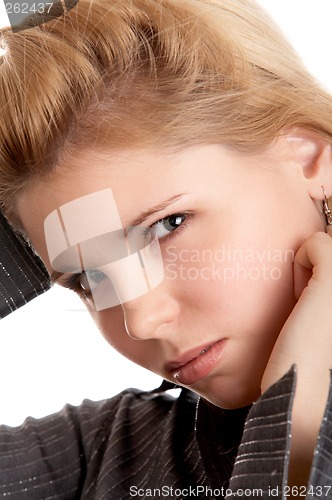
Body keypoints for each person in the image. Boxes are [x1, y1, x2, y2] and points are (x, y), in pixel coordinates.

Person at [0, 0, 332, 497]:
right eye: (89, 279)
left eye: (166, 226)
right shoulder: (104, 458)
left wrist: (304, 428)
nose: (141, 318)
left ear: (308, 160)